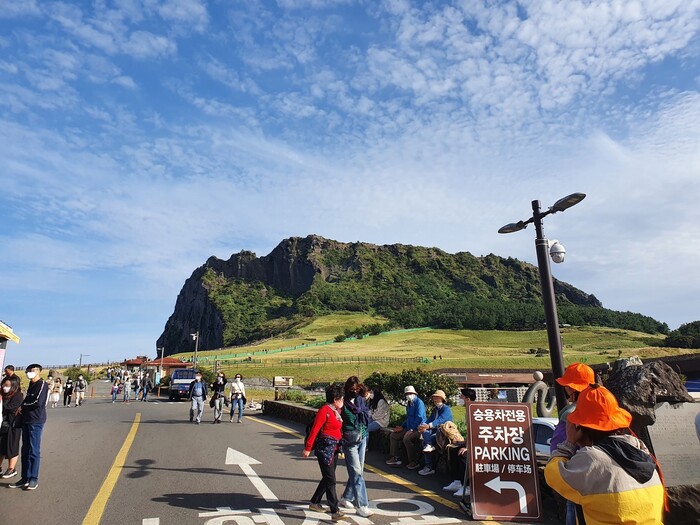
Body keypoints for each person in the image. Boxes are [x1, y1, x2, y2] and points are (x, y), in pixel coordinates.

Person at [544, 384, 665, 525]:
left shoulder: (591, 459)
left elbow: (552, 474)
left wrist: (569, 443)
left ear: (582, 428)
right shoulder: (639, 449)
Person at [549, 362, 596, 525]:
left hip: (577, 475)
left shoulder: (570, 414)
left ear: (570, 387)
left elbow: (557, 447)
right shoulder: (598, 407)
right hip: (599, 475)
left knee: (574, 514)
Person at [303, 383, 345, 522]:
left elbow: (338, 430)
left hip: (334, 448)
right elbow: (315, 430)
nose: (343, 401)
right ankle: (335, 511)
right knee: (331, 479)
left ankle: (314, 502)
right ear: (336, 398)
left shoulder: (336, 411)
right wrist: (308, 448)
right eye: (342, 398)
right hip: (324, 449)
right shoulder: (324, 411)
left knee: (328, 477)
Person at [10, 364, 49, 490]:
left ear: (38, 372)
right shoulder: (31, 385)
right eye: (27, 371)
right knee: (25, 450)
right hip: (26, 420)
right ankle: (25, 477)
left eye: (31, 371)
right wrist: (21, 407)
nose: (29, 373)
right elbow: (27, 399)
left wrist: (23, 406)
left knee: (33, 450)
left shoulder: (42, 384)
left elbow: (37, 401)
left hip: (36, 420)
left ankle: (33, 478)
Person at [338, 377, 372, 518]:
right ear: (347, 389)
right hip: (349, 440)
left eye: (357, 389)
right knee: (356, 472)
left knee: (358, 472)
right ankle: (362, 505)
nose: (355, 391)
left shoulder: (361, 401)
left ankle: (346, 497)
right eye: (352, 389)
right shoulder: (342, 403)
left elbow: (365, 416)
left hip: (362, 437)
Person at [443, 388, 476, 497]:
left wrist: (468, 447)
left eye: (461, 397)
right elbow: (471, 432)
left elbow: (478, 432)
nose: (460, 399)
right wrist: (464, 442)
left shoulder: (475, 411)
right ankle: (457, 482)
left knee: (463, 455)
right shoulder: (468, 410)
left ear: (467, 398)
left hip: (478, 446)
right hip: (470, 443)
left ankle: (468, 486)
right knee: (453, 450)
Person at [386, 385, 426, 469]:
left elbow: (419, 418)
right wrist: (401, 426)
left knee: (406, 438)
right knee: (393, 435)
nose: (408, 395)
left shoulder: (419, 403)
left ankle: (413, 461)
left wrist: (411, 429)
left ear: (414, 394)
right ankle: (395, 457)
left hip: (418, 429)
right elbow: (408, 418)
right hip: (409, 428)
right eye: (407, 394)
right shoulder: (409, 404)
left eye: (410, 393)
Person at [418, 389, 454, 476]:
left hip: (442, 433)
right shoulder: (435, 410)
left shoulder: (446, 409)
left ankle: (429, 467)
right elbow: (430, 420)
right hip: (433, 432)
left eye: (437, 398)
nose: (435, 400)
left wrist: (428, 426)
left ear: (442, 399)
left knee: (425, 442)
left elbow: (440, 420)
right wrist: (423, 425)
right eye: (434, 398)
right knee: (425, 434)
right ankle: (429, 445)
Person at [0, 375, 23, 479]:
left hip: (13, 425)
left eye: (7, 385)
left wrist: (1, 403)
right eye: (4, 385)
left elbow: (9, 408)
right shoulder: (3, 395)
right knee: (1, 447)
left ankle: (11, 469)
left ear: (13, 386)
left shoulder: (17, 395)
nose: (5, 387)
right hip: (3, 424)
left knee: (12, 446)